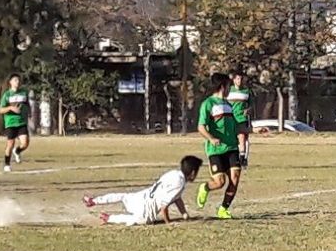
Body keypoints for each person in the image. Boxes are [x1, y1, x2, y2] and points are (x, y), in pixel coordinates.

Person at [83, 155, 203, 226]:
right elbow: (164, 205)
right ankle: (109, 218)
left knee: (122, 196)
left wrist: (184, 214)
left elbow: (177, 198)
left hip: (141, 197)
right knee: (133, 220)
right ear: (192, 173)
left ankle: (94, 201)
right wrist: (168, 222)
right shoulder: (180, 183)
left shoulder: (174, 174)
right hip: (147, 211)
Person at [196, 72, 241, 219]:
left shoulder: (228, 105)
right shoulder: (208, 104)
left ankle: (223, 209)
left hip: (232, 147)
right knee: (220, 182)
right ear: (223, 86)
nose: (231, 88)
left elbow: (237, 127)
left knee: (235, 178)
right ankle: (205, 187)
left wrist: (255, 130)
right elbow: (201, 127)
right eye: (229, 85)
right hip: (215, 150)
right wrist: (211, 138)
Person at [0, 73, 30, 172]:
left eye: (19, 80)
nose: (18, 82)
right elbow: (0, 110)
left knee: (25, 143)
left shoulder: (24, 93)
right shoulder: (7, 95)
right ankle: (7, 164)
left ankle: (17, 151)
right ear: (10, 82)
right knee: (10, 144)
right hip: (11, 123)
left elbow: (27, 104)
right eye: (15, 80)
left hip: (21, 122)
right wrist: (11, 108)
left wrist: (28, 112)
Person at [227, 69, 252, 167]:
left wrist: (248, 110)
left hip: (242, 118)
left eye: (241, 79)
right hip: (231, 118)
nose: (239, 81)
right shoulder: (229, 91)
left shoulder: (246, 91)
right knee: (232, 139)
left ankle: (242, 159)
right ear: (234, 80)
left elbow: (251, 105)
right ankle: (232, 158)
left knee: (242, 137)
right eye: (237, 79)